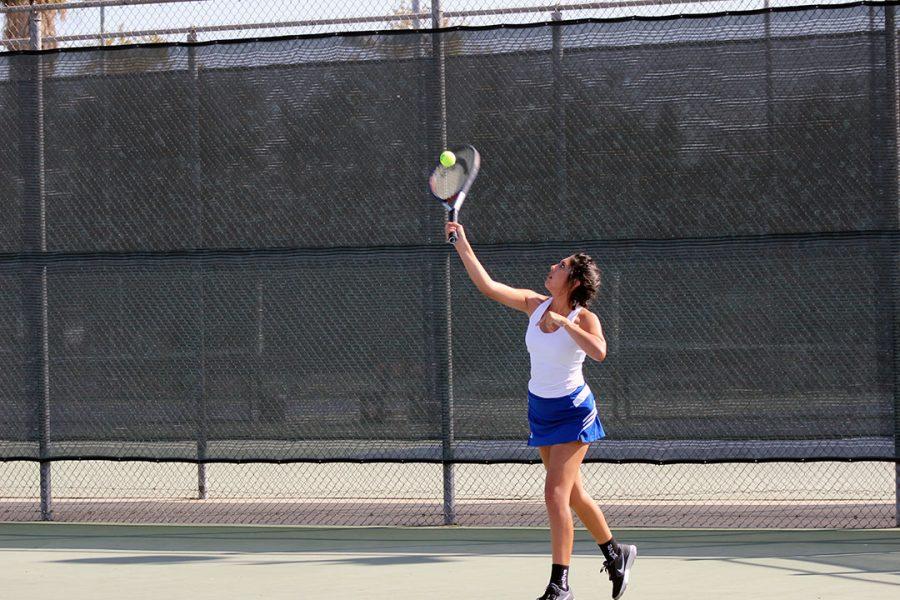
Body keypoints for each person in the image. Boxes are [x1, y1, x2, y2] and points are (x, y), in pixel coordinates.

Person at [446, 221, 636, 600]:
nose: (553, 265)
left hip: (573, 412)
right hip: (541, 410)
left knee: (554, 495)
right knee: (574, 495)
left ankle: (559, 585)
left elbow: (599, 352)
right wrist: (462, 243)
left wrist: (565, 321)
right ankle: (616, 554)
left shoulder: (583, 318)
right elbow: (489, 286)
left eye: (562, 265)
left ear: (575, 282)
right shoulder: (535, 304)